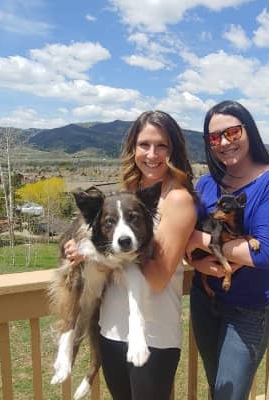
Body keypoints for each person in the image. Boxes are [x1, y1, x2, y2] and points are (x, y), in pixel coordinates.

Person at [64, 110, 197, 400]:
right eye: (144, 144)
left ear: (174, 150)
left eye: (161, 146)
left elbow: (157, 279)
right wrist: (83, 246)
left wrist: (93, 253)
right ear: (133, 148)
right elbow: (102, 241)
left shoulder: (177, 199)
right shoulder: (131, 194)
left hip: (153, 335)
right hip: (110, 328)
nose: (152, 154)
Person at [185, 100, 269, 400]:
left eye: (232, 132)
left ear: (249, 131)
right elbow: (183, 241)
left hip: (248, 308)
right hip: (204, 299)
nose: (223, 143)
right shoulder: (206, 184)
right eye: (214, 137)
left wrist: (200, 239)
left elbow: (262, 254)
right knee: (216, 386)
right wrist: (196, 262)